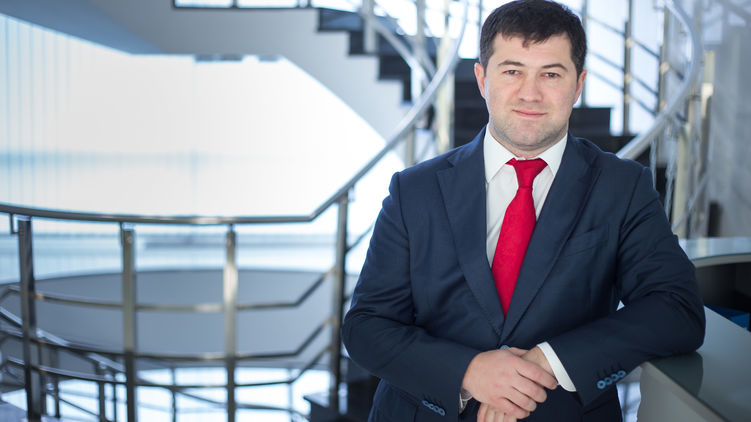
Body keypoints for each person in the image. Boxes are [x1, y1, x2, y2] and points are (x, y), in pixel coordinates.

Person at [341, 0, 706, 421]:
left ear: (578, 84)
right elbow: (366, 326)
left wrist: (547, 362)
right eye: (512, 71)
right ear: (482, 79)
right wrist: (471, 372)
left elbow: (676, 309)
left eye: (551, 74)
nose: (530, 94)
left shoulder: (623, 186)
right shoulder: (414, 190)